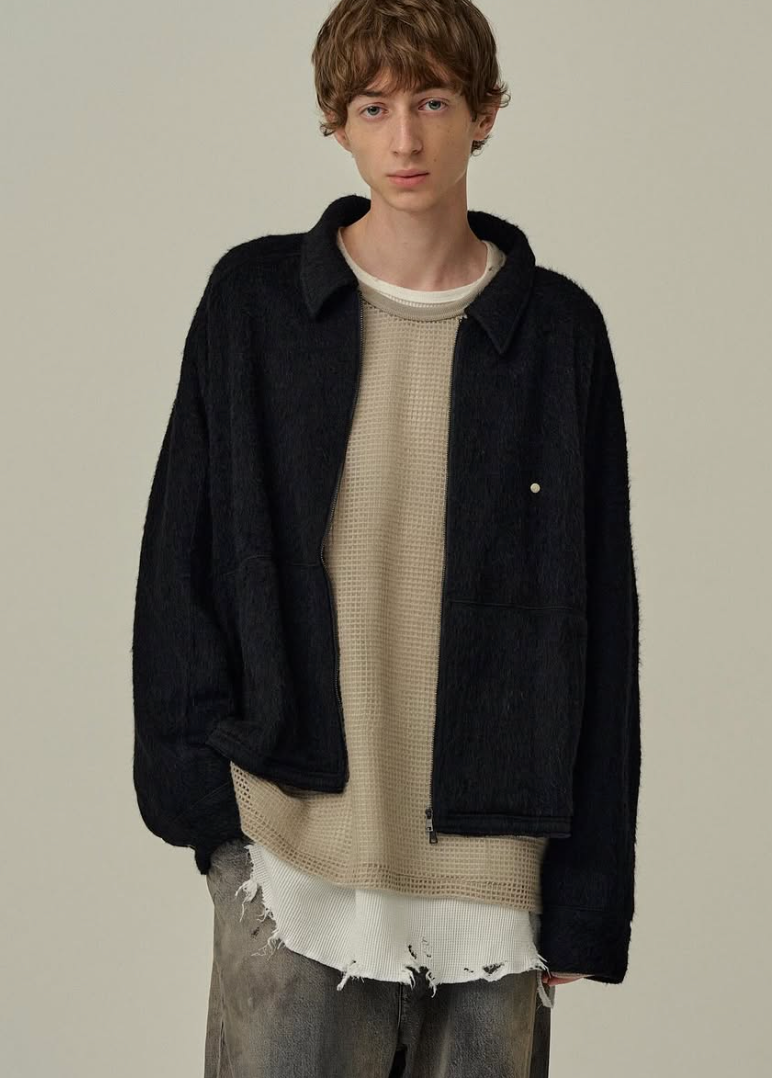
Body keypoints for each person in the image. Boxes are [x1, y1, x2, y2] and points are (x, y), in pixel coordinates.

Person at [131, 2, 642, 1074]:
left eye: (433, 102)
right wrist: (209, 815)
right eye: (373, 107)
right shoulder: (254, 306)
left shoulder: (557, 335)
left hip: (496, 875)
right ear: (336, 121)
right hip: (293, 853)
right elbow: (180, 564)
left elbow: (600, 622)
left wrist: (588, 897)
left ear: (484, 114)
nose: (405, 138)